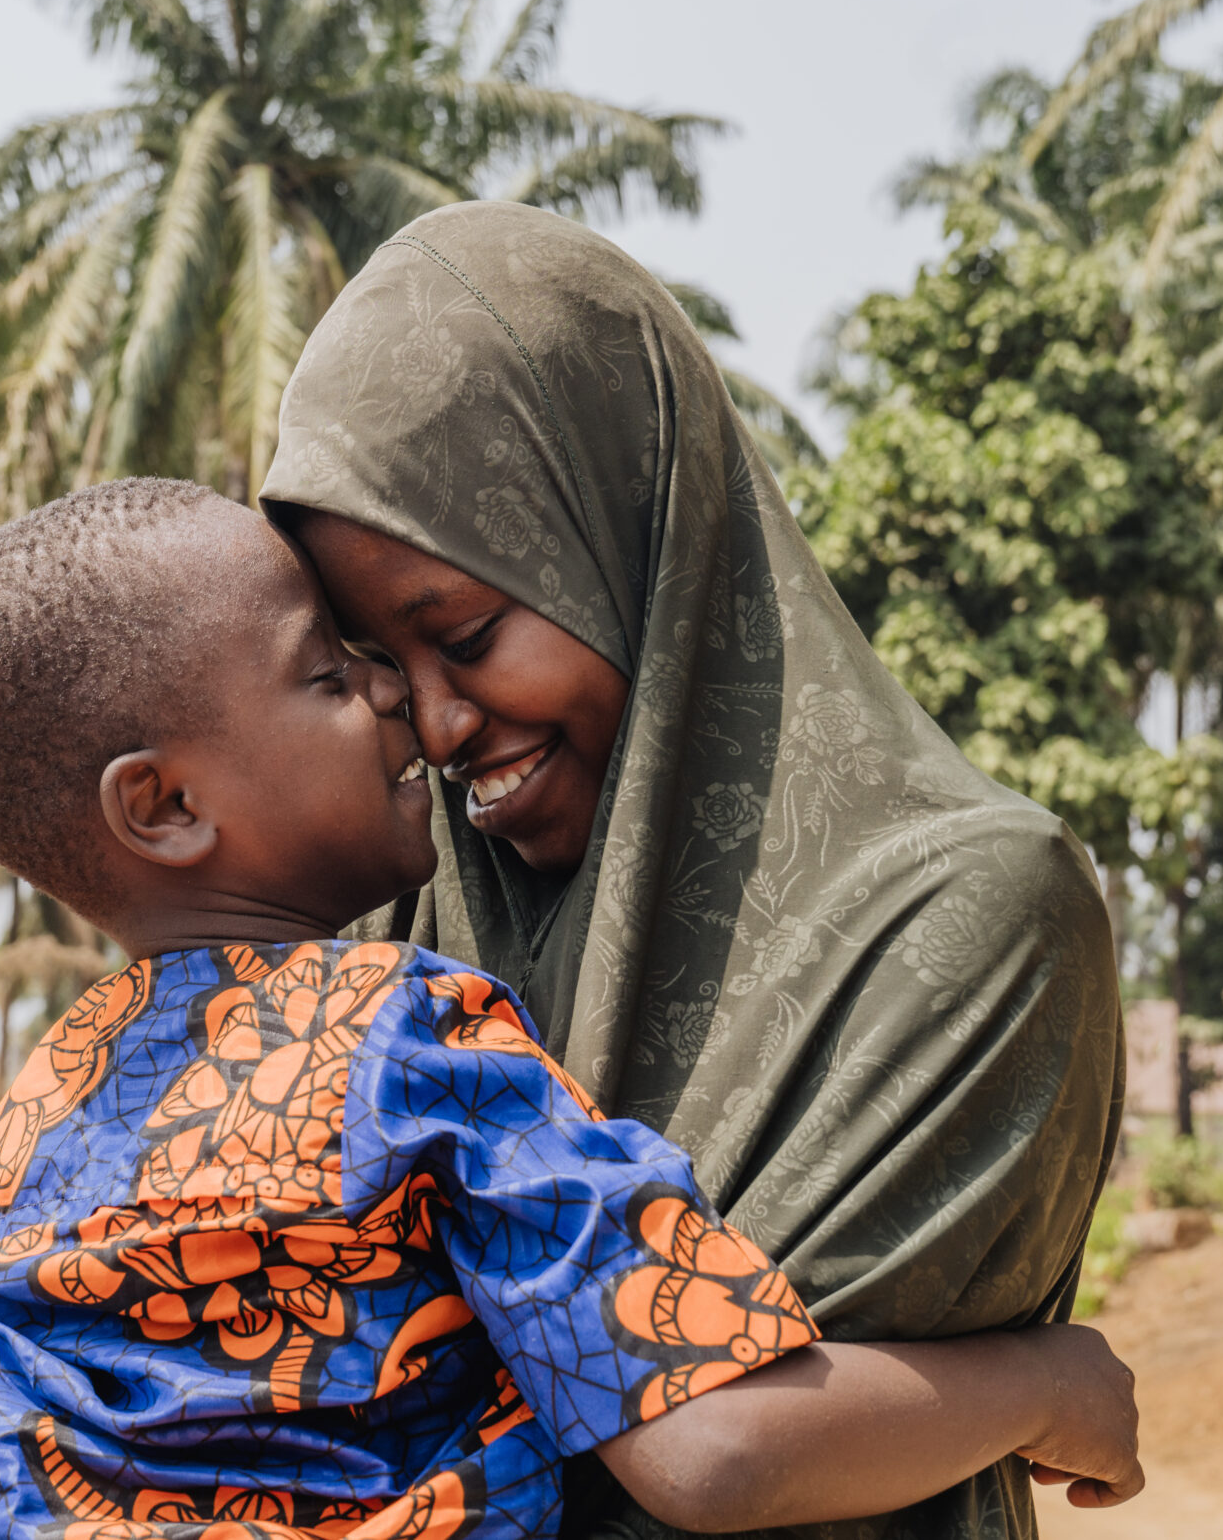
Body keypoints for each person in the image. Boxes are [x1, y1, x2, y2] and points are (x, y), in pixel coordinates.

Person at [0, 479, 1141, 1540]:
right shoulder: (407, 1047)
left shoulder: (10, 1159)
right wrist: (1042, 1383)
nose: (403, 701)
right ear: (164, 806)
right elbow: (711, 1454)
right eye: (332, 673)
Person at [259, 201, 1126, 1540]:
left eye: (470, 633)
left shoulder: (961, 922)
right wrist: (1037, 1386)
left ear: (629, 537)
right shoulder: (395, 911)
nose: (435, 727)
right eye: (379, 666)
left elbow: (722, 1447)